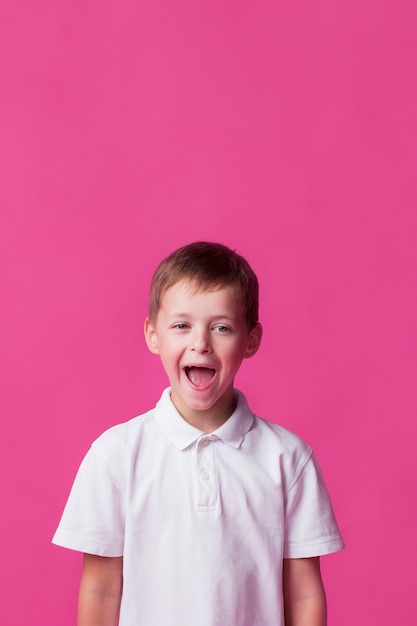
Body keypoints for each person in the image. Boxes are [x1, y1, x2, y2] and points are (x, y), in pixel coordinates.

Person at [53, 241, 344, 626]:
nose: (201, 343)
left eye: (221, 327)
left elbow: (304, 592)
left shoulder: (289, 459)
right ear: (153, 334)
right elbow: (101, 589)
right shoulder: (116, 455)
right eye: (181, 325)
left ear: (250, 339)